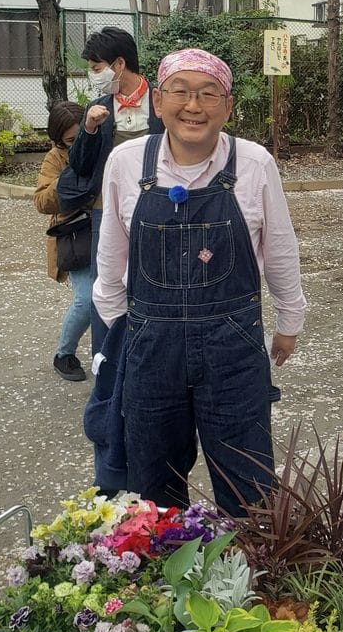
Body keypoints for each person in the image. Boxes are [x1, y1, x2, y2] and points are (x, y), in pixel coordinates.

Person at [93, 48, 306, 513]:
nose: (194, 106)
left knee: (246, 476)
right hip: (150, 346)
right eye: (181, 92)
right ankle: (164, 574)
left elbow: (280, 248)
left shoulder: (253, 163)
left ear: (227, 107)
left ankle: (249, 572)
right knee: (152, 478)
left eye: (209, 94)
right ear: (158, 102)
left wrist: (289, 320)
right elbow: (110, 254)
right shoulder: (126, 162)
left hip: (233, 344)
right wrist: (120, 326)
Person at [66, 27, 163, 356]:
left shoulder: (162, 100)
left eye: (96, 68)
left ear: (119, 64)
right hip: (105, 208)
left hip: (159, 206)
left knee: (156, 278)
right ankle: (105, 361)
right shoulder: (98, 106)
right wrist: (90, 128)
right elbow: (79, 164)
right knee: (105, 285)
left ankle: (151, 354)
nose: (93, 76)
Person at [34, 101, 91, 382]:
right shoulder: (55, 158)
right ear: (58, 139)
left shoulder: (105, 147)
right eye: (71, 141)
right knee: (88, 299)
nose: (78, 144)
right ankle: (64, 354)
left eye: (83, 136)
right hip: (77, 234)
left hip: (112, 231)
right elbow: (42, 201)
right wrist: (70, 178)